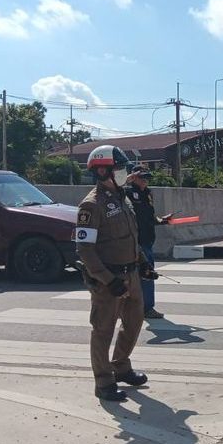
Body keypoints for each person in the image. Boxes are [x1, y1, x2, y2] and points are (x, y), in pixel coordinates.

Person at [75, 145, 158, 402]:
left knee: (134, 323)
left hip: (131, 275)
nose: (124, 173)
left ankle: (121, 366)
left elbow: (130, 237)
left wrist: (143, 263)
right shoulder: (91, 205)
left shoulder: (122, 197)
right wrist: (108, 281)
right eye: (119, 168)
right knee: (103, 330)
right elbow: (85, 250)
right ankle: (103, 382)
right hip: (108, 280)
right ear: (102, 171)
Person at [124, 165, 171, 319]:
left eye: (147, 177)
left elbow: (150, 216)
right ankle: (142, 308)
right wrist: (126, 180)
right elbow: (112, 192)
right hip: (134, 240)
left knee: (145, 274)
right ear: (134, 177)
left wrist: (161, 220)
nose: (145, 180)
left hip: (148, 239)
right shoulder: (126, 192)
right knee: (140, 274)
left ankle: (145, 307)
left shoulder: (148, 193)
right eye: (142, 177)